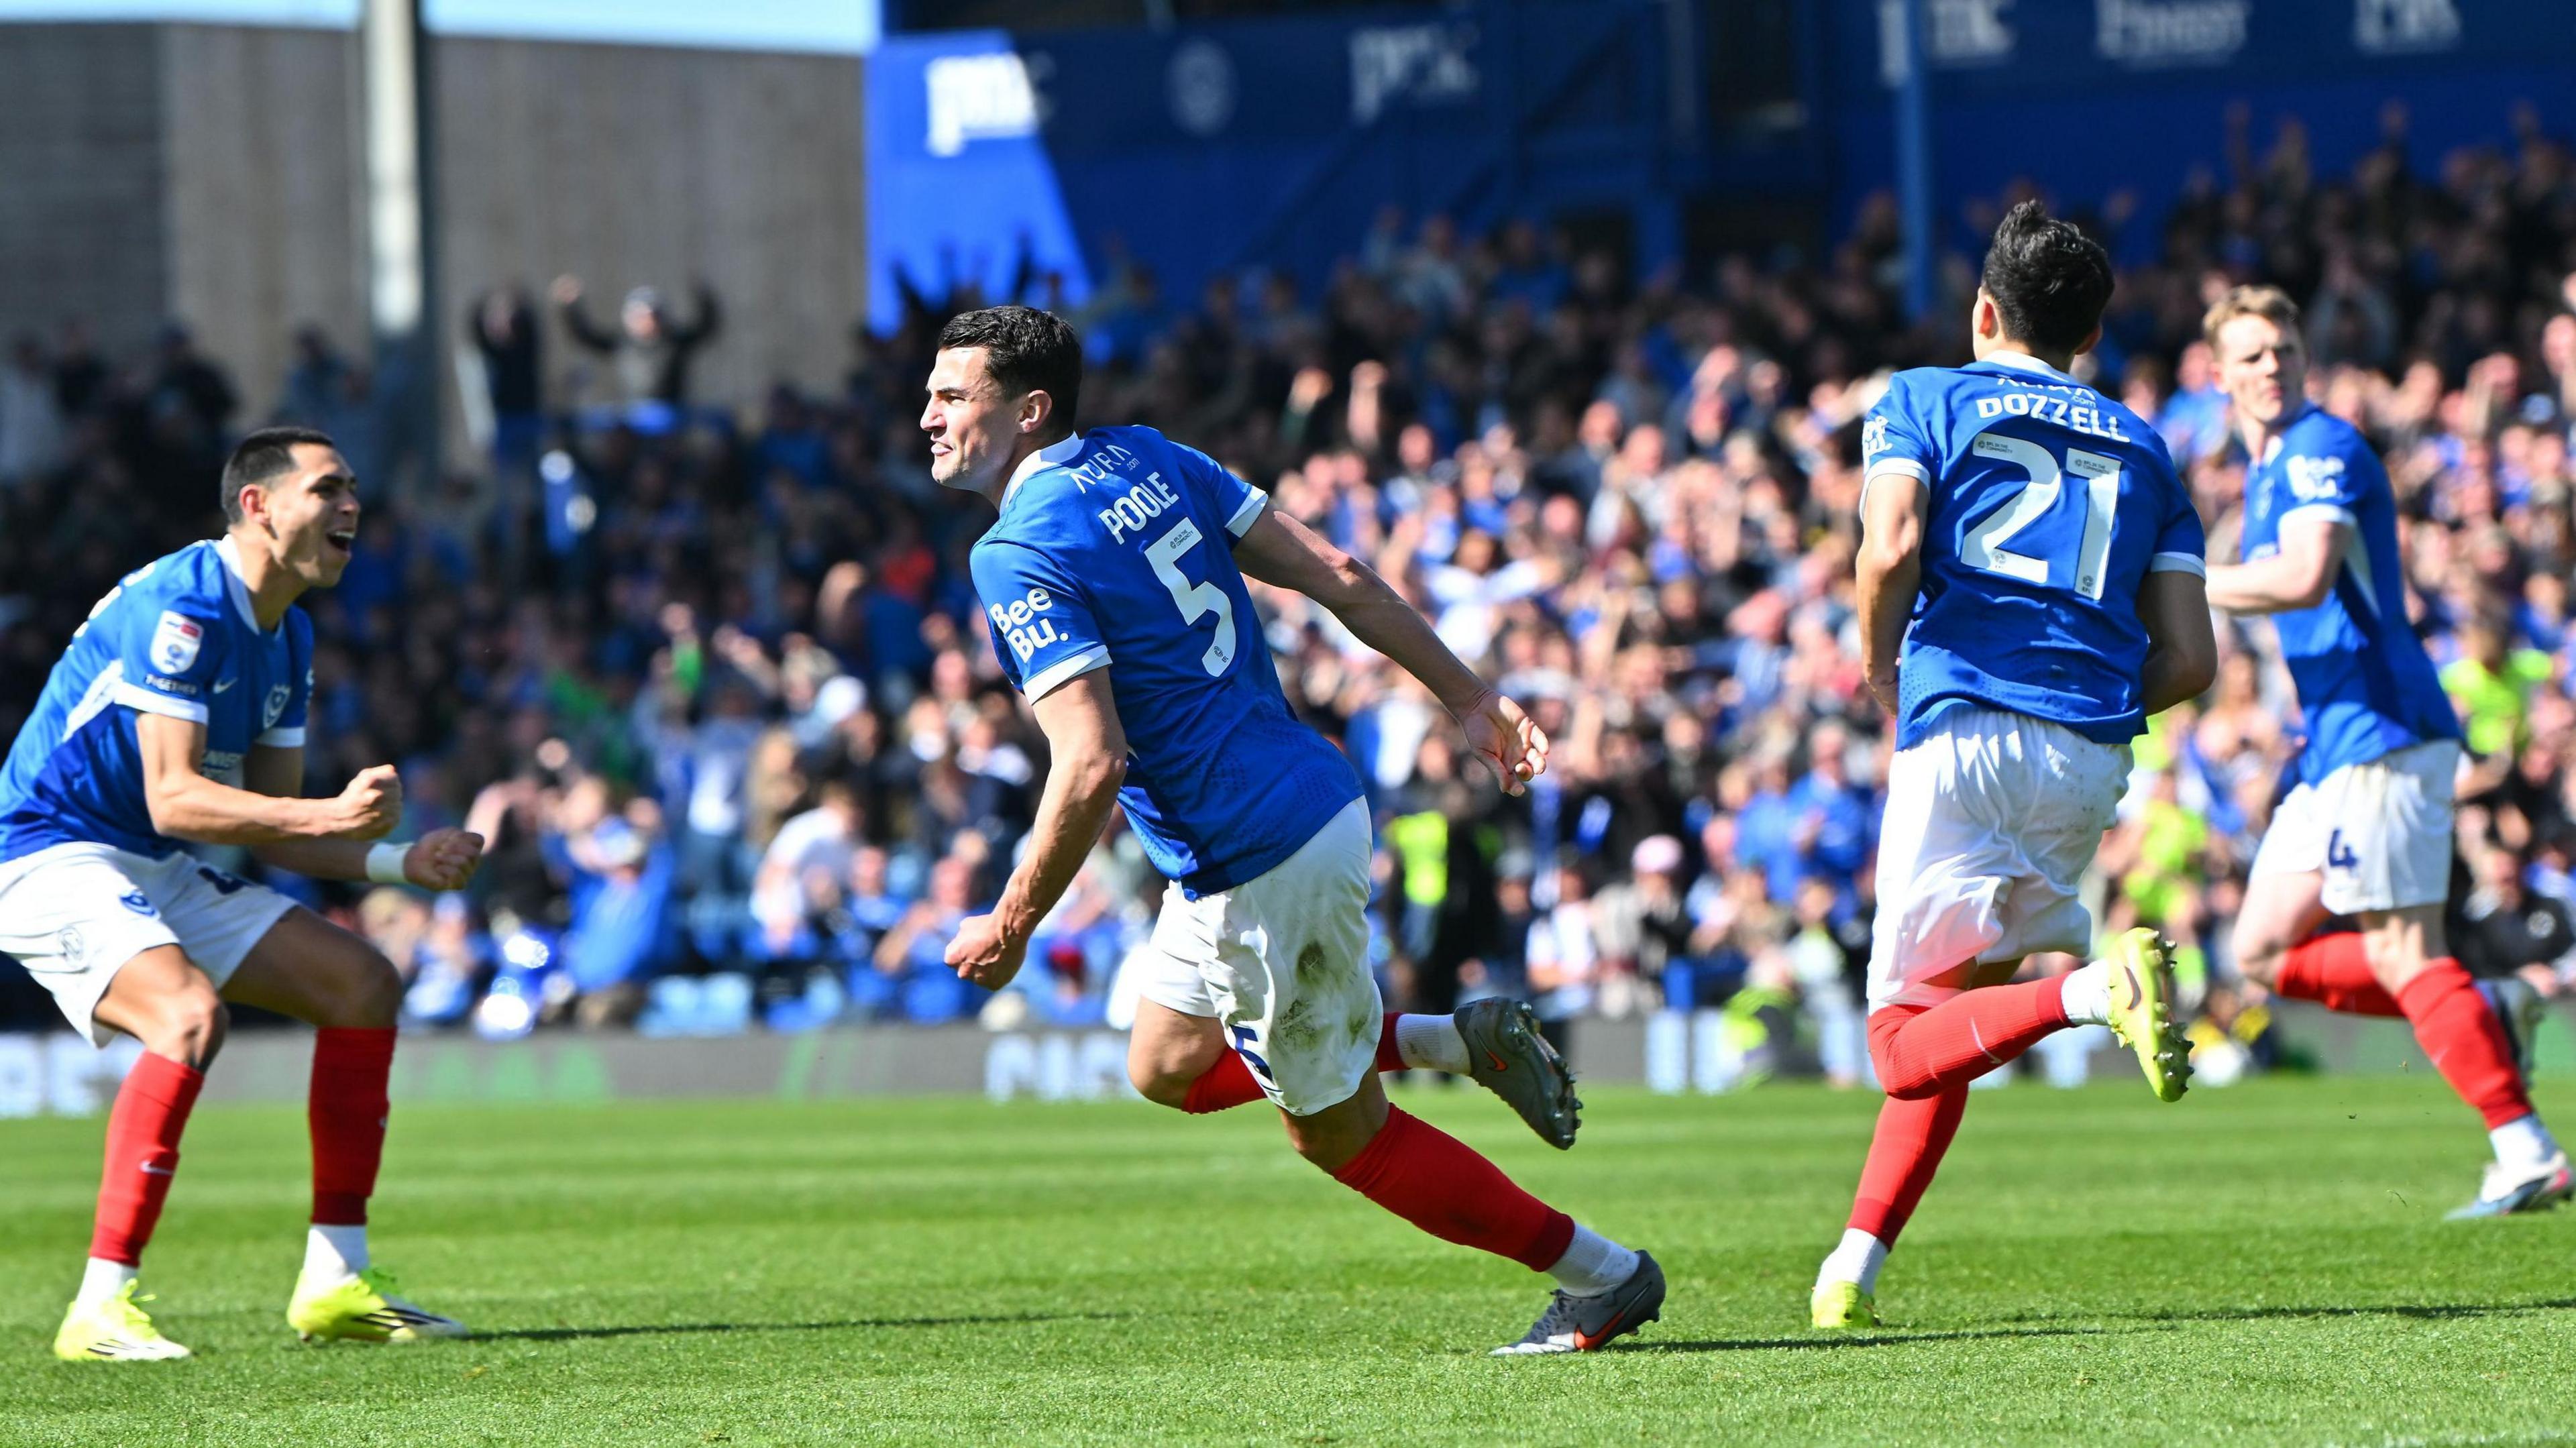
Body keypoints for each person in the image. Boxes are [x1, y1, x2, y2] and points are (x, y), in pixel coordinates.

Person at [922, 306, 1658, 1353]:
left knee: (1345, 1140)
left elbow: (1091, 762)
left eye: (953, 396)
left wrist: (1012, 922)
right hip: (1306, 804)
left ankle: (1605, 1276)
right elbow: (1338, 574)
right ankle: (1454, 1042)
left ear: (1029, 411)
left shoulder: (1015, 550)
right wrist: (1469, 697)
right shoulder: (1149, 457)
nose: (928, 416)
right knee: (1166, 1064)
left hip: (1253, 861)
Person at [1811, 203, 2218, 1331]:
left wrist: (1880, 672)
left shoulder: (1925, 397)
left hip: (1965, 728)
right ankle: (1854, 1266)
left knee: (1898, 1044)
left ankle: (2097, 991)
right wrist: (2085, 701)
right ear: (2088, 336)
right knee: (1959, 1010)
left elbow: (1890, 546)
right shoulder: (2145, 444)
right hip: (2089, 752)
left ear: (1984, 311)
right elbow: (2192, 657)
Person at [0, 427, 482, 1359]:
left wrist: (398, 860)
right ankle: (99, 1307)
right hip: (46, 854)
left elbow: (269, 817)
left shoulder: (288, 628)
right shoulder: (184, 606)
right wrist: (333, 820)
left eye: (355, 490)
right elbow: (176, 797)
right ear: (257, 507)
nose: (352, 507)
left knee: (362, 985)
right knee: (186, 1016)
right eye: (328, 488)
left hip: (151, 859)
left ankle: (337, 1280)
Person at [2202, 284, 2567, 1218]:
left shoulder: (2321, 447)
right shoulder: (2267, 464)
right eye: (2250, 354)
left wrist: (2179, 585)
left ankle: (2523, 1146)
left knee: (2404, 950)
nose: (2271, 364)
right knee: (2260, 952)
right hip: (2331, 745)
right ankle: (2480, 1002)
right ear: (2219, 375)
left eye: (2282, 347)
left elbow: (2306, 574)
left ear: (2302, 356)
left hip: (2387, 733)